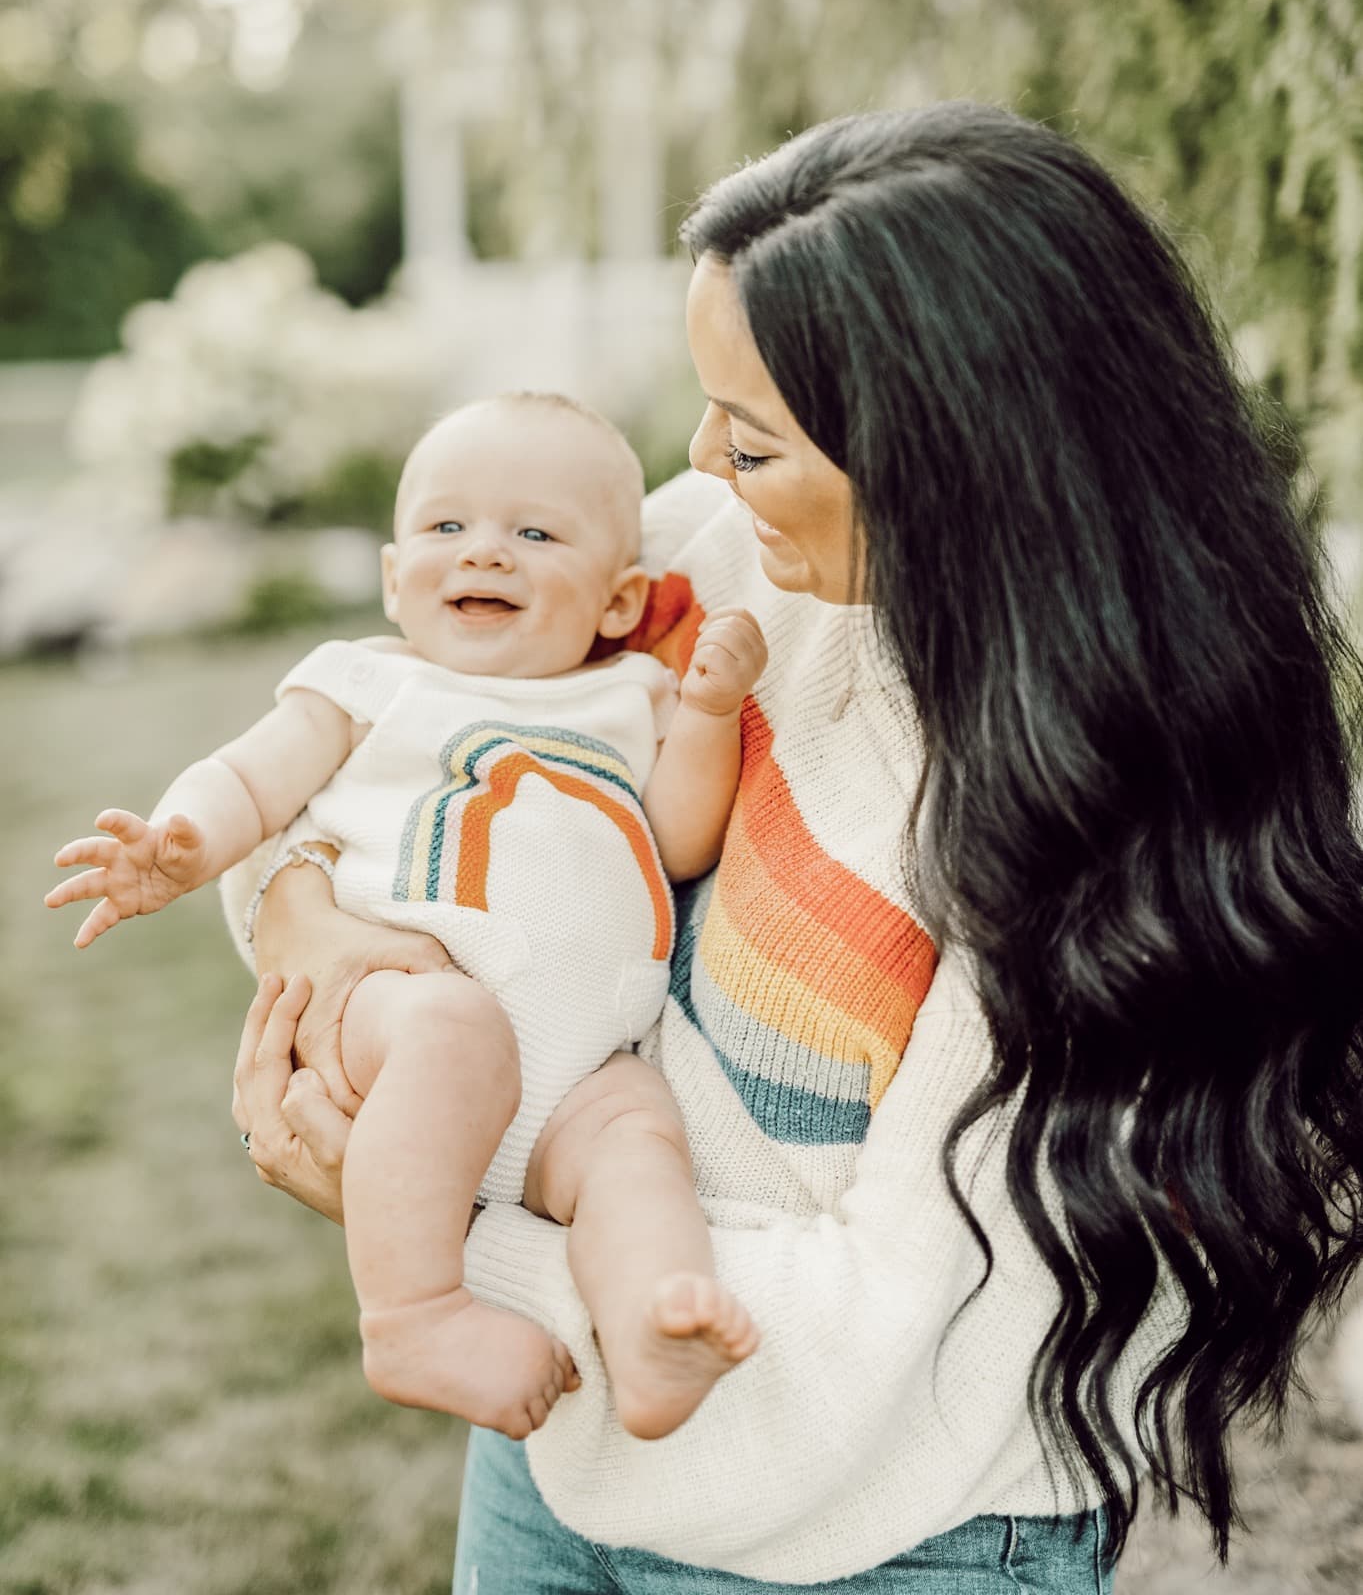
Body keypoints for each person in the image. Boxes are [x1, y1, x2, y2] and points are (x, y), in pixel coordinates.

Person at [230, 103, 1363, 1594]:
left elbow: (865, 1347)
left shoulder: (1113, 831)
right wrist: (294, 901)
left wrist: (442, 1229)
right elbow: (385, 725)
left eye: (751, 439)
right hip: (563, 1435)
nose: (696, 461)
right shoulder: (713, 554)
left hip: (889, 1526)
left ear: (943, 457)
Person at [48, 391, 765, 1442]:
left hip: (577, 1071)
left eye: (533, 531)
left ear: (618, 601)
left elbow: (682, 840)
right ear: (394, 577)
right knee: (454, 1025)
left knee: (638, 1136)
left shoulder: (633, 699)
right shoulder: (371, 681)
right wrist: (181, 843)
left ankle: (655, 1319)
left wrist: (707, 712)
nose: (485, 553)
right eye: (446, 527)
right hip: (398, 1006)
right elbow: (250, 777)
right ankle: (415, 1315)